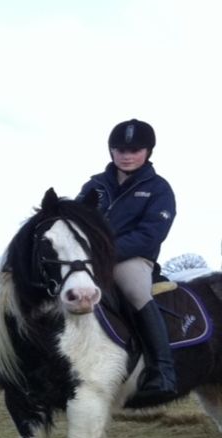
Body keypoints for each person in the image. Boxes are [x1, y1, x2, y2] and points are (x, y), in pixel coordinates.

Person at [76, 118, 177, 405]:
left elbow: (150, 235)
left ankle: (162, 370)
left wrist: (104, 252)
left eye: (135, 149)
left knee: (135, 292)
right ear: (111, 151)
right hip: (88, 258)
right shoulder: (94, 185)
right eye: (120, 149)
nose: (127, 155)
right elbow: (77, 221)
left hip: (132, 260)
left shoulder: (159, 189)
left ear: (148, 152)